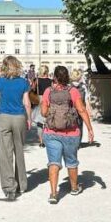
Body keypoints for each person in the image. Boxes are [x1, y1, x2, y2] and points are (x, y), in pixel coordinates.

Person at [40, 66, 95, 205]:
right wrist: (89, 129)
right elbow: (81, 110)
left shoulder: (48, 91)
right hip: (71, 132)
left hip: (51, 133)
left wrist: (54, 112)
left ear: (55, 77)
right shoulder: (73, 91)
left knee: (53, 162)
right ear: (67, 77)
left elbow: (43, 112)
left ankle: (53, 193)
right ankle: (74, 188)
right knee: (71, 161)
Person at [0, 56, 32, 200]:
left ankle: (9, 188)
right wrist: (29, 119)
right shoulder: (23, 82)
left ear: (5, 67)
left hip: (4, 118)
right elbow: (27, 103)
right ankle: (21, 184)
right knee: (19, 151)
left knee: (5, 154)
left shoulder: (1, 81)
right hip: (19, 117)